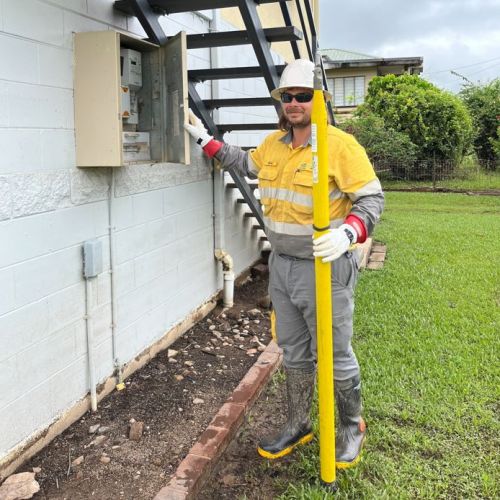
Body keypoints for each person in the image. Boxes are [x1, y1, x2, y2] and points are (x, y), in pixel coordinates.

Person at [184, 59, 384, 469]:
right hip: (283, 266)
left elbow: (371, 199)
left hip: (325, 268)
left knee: (334, 352)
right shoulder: (274, 145)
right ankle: (298, 423)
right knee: (293, 350)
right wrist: (205, 139)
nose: (294, 103)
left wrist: (349, 232)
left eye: (302, 96)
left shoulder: (339, 146)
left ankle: (350, 426)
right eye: (287, 96)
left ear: (318, 100)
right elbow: (245, 163)